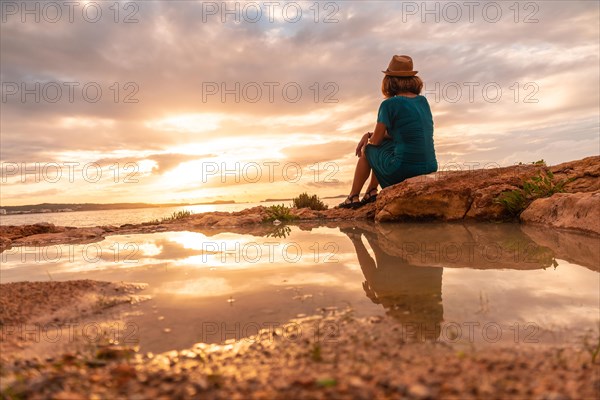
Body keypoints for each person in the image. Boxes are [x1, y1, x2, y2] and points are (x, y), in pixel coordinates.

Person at [339, 55, 438, 208]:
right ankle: (371, 191)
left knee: (368, 149)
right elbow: (402, 133)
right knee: (384, 148)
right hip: (430, 166)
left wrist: (368, 138)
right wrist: (369, 134)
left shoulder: (389, 104)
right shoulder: (422, 101)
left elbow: (376, 142)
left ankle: (353, 197)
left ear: (389, 80)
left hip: (402, 169)